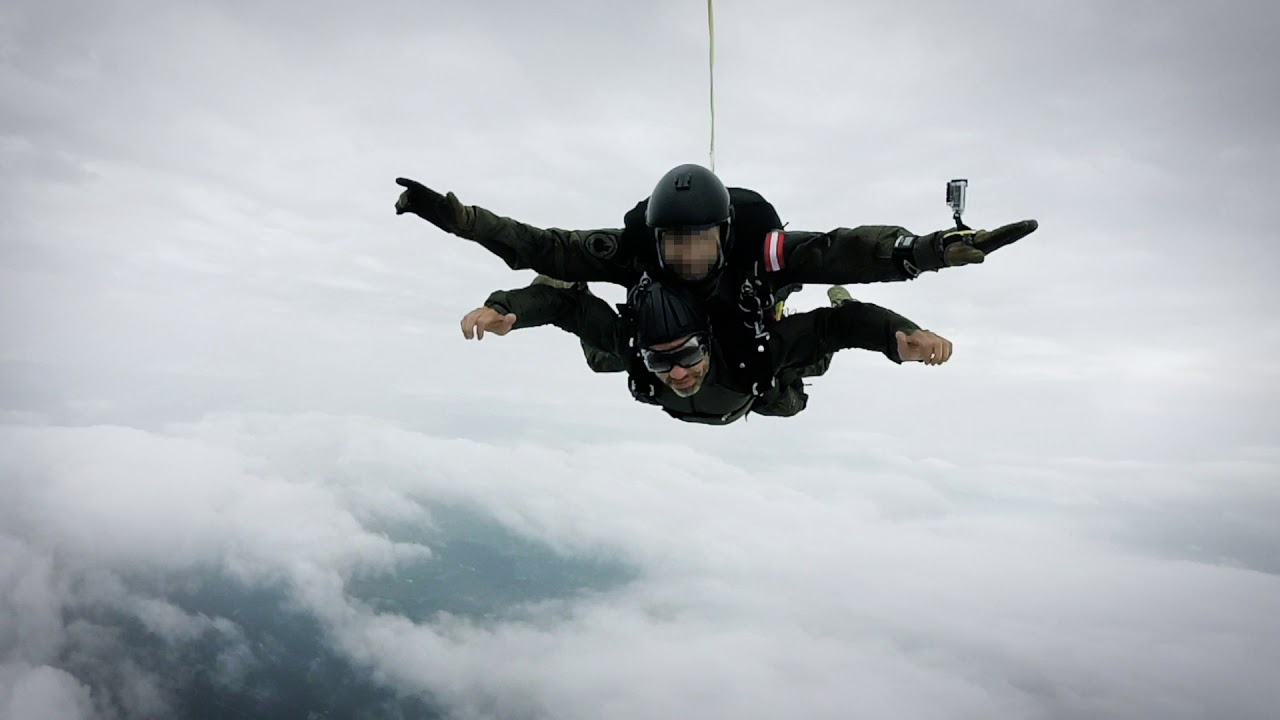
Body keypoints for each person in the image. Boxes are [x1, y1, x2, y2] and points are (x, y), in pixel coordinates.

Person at [458, 275, 952, 425]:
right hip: (731, 389)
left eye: (685, 356)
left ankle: (781, 299)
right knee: (599, 355)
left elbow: (839, 327)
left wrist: (898, 336)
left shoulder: (756, 353)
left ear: (709, 343)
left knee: (795, 391)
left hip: (754, 380)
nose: (675, 373)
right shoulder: (638, 349)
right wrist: (507, 308)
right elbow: (567, 311)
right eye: (661, 360)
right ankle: (573, 280)